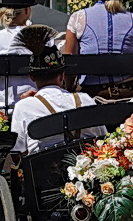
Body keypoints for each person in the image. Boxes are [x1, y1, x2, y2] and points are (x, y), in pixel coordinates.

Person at [10, 27, 99, 155]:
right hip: (85, 168)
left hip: (43, 171)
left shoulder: (24, 107)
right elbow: (101, 137)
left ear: (32, 77)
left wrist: (27, 103)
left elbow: (18, 153)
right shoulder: (85, 99)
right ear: (62, 75)